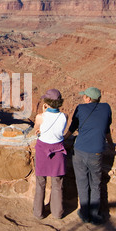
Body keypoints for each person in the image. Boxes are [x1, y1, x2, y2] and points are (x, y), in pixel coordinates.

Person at [64, 87, 116, 225]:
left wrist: (64, 138)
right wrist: (111, 145)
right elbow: (106, 129)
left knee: (82, 182)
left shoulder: (81, 108)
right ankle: (95, 215)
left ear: (88, 98)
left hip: (80, 150)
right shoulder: (106, 108)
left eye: (84, 96)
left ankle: (84, 213)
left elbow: (72, 127)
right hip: (97, 152)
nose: (83, 98)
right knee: (95, 184)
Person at [33, 89, 68, 220]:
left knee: (40, 182)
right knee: (57, 184)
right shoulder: (64, 117)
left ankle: (38, 213)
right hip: (58, 152)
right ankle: (57, 213)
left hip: (42, 151)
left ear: (46, 102)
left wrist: (44, 111)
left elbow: (36, 129)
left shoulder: (40, 117)